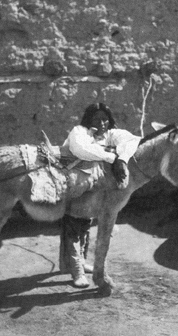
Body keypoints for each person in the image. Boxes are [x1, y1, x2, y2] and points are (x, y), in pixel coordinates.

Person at [59, 102, 141, 288]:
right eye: (97, 119)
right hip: (77, 187)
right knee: (73, 228)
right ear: (89, 120)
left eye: (105, 119)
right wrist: (110, 156)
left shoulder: (111, 135)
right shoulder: (79, 132)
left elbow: (132, 140)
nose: (102, 123)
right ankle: (77, 271)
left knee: (86, 227)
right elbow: (83, 150)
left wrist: (121, 159)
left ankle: (81, 262)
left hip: (95, 192)